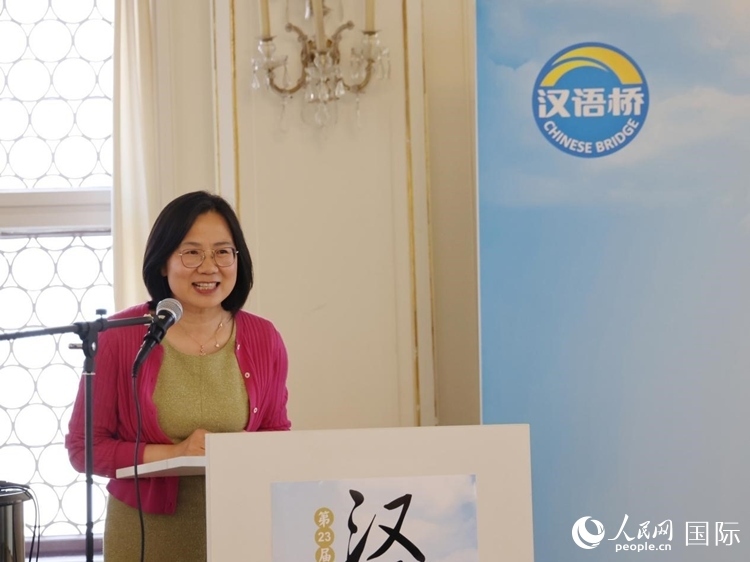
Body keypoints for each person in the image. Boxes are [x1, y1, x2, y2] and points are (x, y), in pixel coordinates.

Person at [65, 190, 290, 561]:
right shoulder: (119, 336)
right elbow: (84, 449)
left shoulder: (264, 338)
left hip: (242, 528)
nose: (209, 266)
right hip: (146, 535)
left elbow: (276, 435)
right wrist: (175, 453)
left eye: (222, 251)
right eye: (191, 252)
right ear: (162, 263)